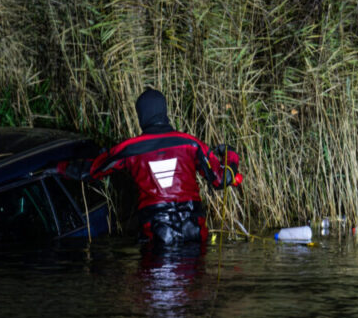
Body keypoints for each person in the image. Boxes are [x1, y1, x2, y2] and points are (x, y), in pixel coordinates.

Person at [57, 87, 242, 247]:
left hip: (157, 236)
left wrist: (59, 168)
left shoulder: (130, 149)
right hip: (193, 233)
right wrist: (231, 155)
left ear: (141, 116)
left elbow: (92, 171)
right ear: (164, 112)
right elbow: (222, 180)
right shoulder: (191, 144)